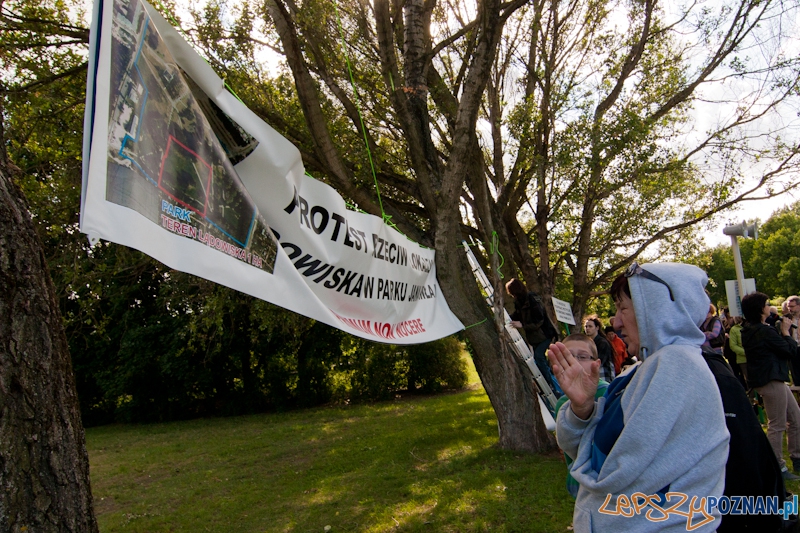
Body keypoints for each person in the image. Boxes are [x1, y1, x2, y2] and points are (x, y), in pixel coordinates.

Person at [549, 262, 729, 531]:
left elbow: (614, 471)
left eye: (623, 309)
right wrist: (582, 408)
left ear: (655, 310)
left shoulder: (676, 365)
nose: (616, 321)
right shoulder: (643, 369)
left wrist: (589, 429)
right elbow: (579, 451)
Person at [741, 291, 800, 481]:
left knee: (796, 418)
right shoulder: (763, 331)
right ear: (760, 309)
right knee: (777, 424)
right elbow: (789, 351)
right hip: (770, 380)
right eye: (766, 304)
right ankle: (777, 467)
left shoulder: (751, 328)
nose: (769, 306)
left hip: (773, 379)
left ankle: (796, 457)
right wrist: (785, 332)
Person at [553, 334, 609, 499]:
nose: (574, 361)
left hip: (605, 489)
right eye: (567, 356)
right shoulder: (562, 403)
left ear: (596, 364)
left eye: (583, 357)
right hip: (578, 484)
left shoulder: (609, 393)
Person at [505, 278, 560, 395]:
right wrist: (507, 318)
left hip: (545, 334)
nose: (512, 296)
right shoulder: (518, 302)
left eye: (512, 293)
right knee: (540, 362)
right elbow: (517, 315)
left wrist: (522, 325)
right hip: (535, 338)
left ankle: (550, 386)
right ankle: (550, 385)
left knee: (539, 358)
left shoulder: (532, 298)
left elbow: (539, 319)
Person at [583, 317, 615, 382]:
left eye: (590, 326)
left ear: (597, 328)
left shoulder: (602, 343)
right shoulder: (588, 343)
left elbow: (599, 361)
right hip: (594, 374)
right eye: (586, 326)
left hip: (604, 374)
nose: (587, 328)